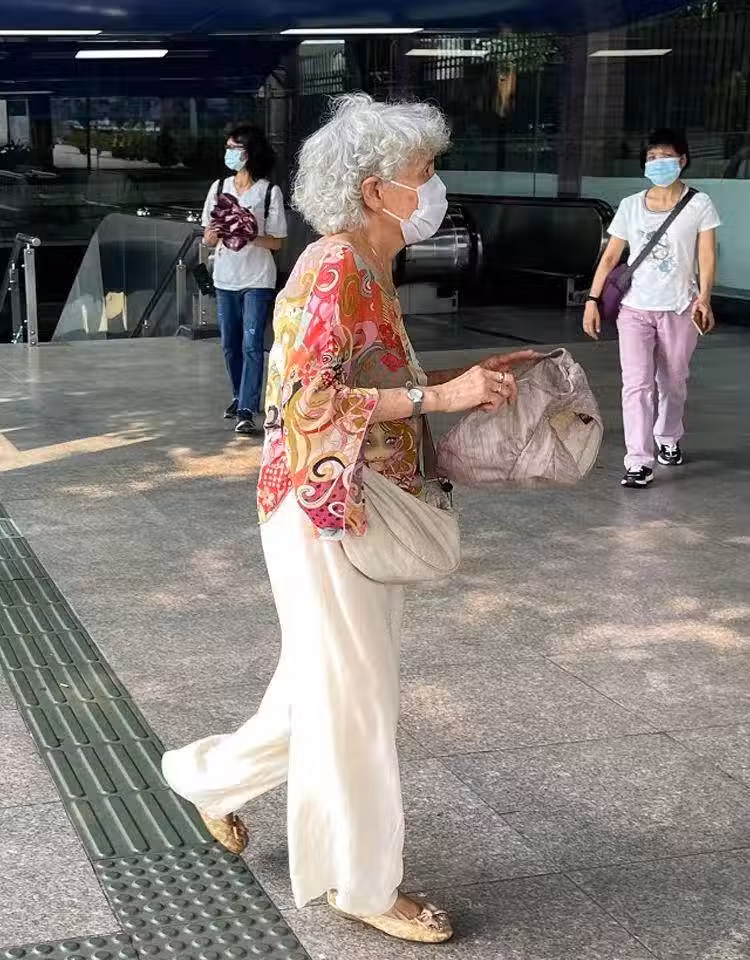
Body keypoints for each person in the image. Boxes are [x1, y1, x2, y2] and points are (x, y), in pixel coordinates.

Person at [162, 94, 536, 945]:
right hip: (323, 510)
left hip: (350, 503)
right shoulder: (333, 266)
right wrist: (440, 398)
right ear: (375, 191)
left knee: (321, 686)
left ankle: (206, 778)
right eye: (424, 172)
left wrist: (461, 381)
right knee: (358, 699)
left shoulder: (368, 265)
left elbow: (365, 376)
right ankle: (361, 883)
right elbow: (308, 401)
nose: (435, 188)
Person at [583, 127, 720, 488]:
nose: (658, 163)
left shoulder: (699, 204)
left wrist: (705, 297)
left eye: (666, 156)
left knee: (673, 381)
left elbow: (706, 255)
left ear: (683, 160)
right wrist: (592, 300)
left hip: (679, 308)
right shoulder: (631, 206)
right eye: (652, 157)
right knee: (636, 385)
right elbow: (611, 256)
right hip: (634, 310)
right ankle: (638, 461)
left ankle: (668, 437)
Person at [202, 123, 288, 435]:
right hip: (225, 277)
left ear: (249, 152)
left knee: (252, 344)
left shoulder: (268, 192)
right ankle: (239, 394)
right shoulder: (219, 188)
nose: (229, 154)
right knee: (230, 344)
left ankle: (247, 408)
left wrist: (249, 235)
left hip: (257, 279)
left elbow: (277, 242)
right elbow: (207, 237)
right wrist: (214, 235)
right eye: (227, 148)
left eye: (234, 149)